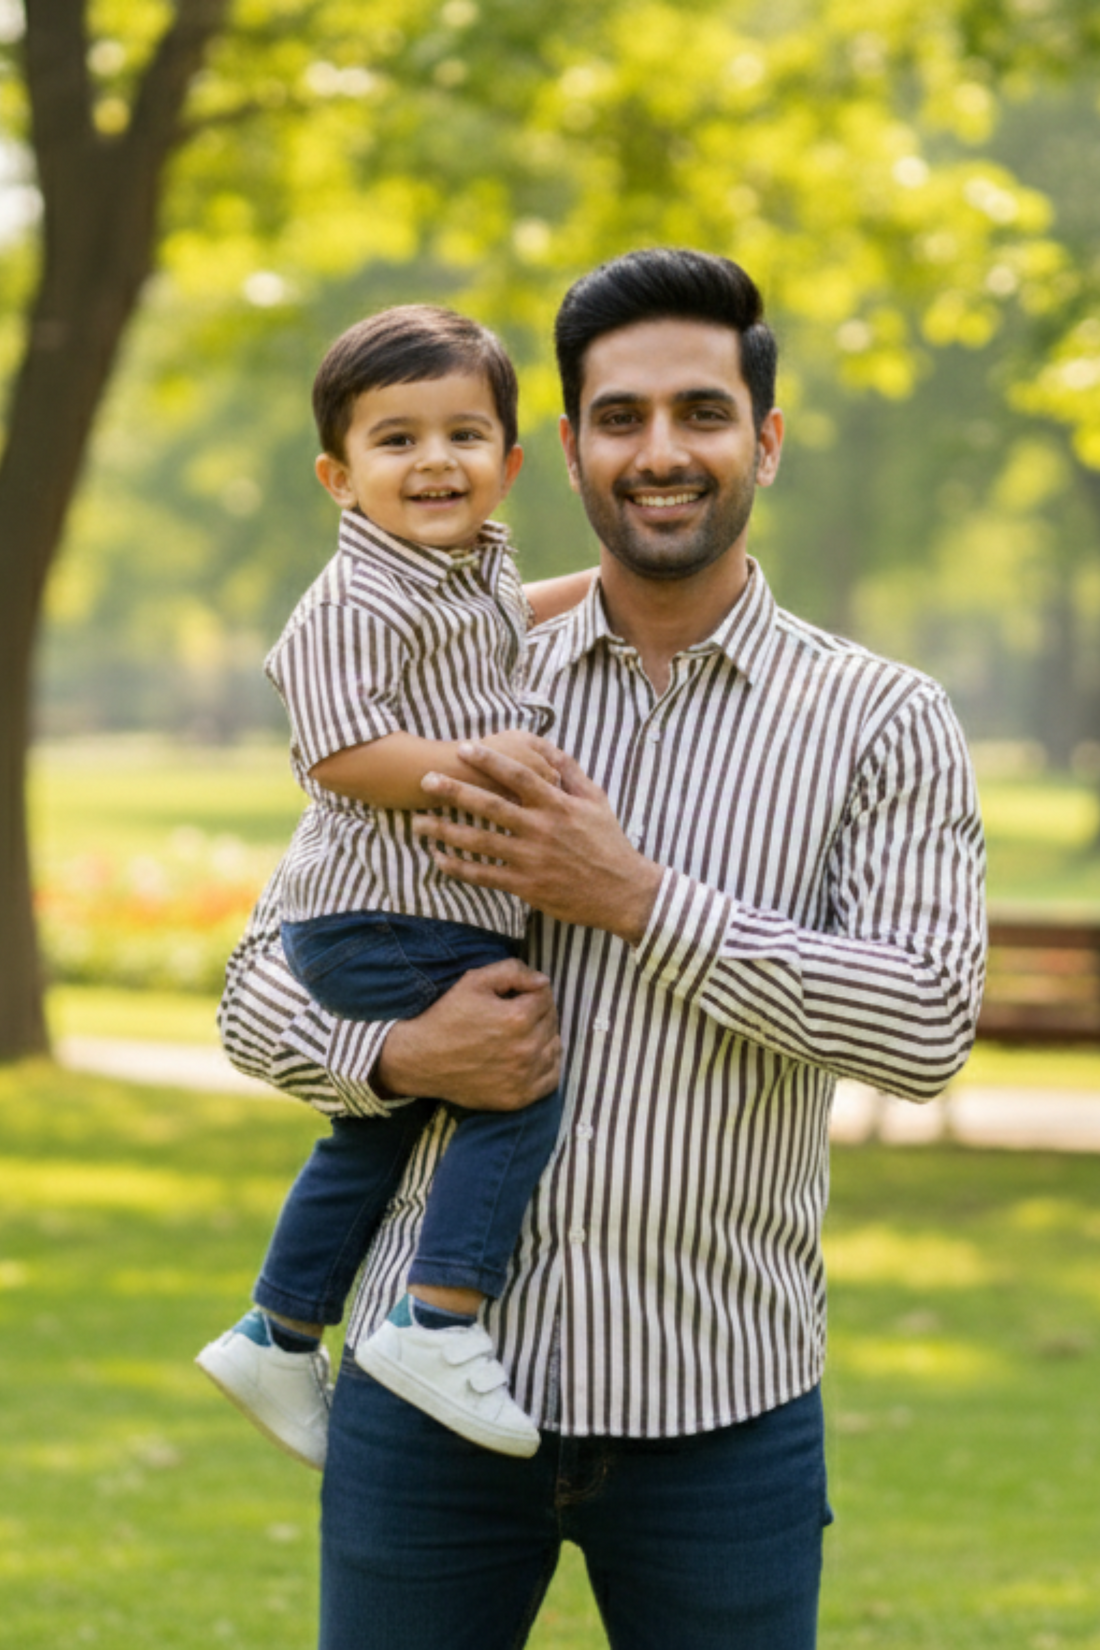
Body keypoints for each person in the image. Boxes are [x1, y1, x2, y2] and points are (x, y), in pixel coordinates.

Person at [217, 248, 987, 1649]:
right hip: (420, 1409)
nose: (661, 451)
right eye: (621, 418)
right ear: (567, 454)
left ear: (765, 439)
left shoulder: (881, 718)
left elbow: (926, 1023)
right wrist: (399, 1053)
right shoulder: (457, 674)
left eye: (702, 412)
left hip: (720, 1405)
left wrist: (639, 901)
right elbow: (257, 987)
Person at [197, 304, 593, 1469]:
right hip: (381, 913)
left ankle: (276, 1333)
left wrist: (607, 585)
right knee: (513, 1077)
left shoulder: (463, 573)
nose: (434, 461)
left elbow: (499, 622)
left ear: (507, 463)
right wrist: (475, 767)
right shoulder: (352, 600)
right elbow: (336, 750)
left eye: (463, 436)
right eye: (397, 439)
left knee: (378, 1126)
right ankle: (439, 1320)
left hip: (409, 912)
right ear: (339, 476)